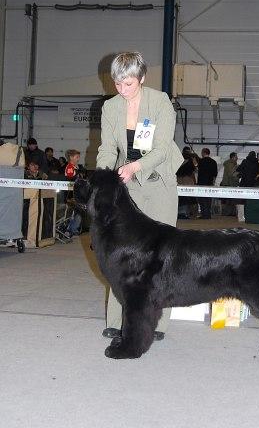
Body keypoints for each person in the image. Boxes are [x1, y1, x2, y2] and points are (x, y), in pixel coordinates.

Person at [96, 50, 183, 342]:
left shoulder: (160, 102)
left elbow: (161, 149)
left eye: (128, 84)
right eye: (118, 84)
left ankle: (157, 323)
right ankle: (116, 319)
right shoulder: (110, 107)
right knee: (122, 254)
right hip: (127, 182)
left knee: (161, 255)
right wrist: (102, 178)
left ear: (142, 78)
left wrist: (135, 166)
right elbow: (108, 148)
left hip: (158, 179)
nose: (122, 90)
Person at [197, 148, 218, 219]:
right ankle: (208, 214)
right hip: (209, 182)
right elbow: (215, 174)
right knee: (208, 199)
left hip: (201, 183)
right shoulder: (213, 162)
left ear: (203, 153)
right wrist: (213, 182)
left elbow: (197, 170)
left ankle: (204, 214)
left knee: (202, 199)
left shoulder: (201, 161)